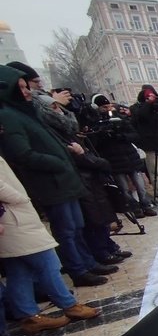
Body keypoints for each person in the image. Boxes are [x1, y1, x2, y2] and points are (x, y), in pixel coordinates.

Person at [0, 65, 111, 287]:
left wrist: (68, 150)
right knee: (66, 230)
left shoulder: (27, 112)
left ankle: (87, 262)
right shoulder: (9, 116)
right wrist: (58, 162)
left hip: (65, 179)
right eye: (21, 87)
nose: (28, 91)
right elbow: (22, 153)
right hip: (52, 182)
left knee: (78, 225)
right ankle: (77, 270)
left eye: (26, 86)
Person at [0, 152, 102, 336]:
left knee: (18, 269)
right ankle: (69, 305)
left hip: (10, 219)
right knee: (47, 263)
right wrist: (21, 198)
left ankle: (29, 316)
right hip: (12, 217)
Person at [86, 95, 157, 217]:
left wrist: (121, 136)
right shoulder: (95, 123)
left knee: (140, 185)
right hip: (113, 159)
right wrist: (104, 134)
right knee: (123, 188)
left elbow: (135, 135)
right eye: (104, 107)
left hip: (129, 157)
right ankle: (134, 207)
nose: (108, 109)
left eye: (109, 106)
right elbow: (94, 143)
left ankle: (145, 204)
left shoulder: (120, 119)